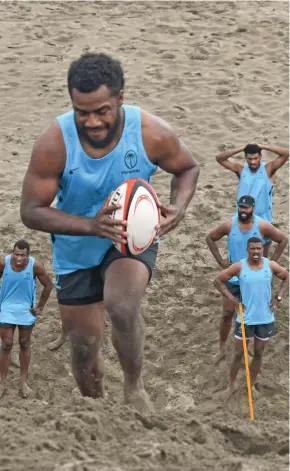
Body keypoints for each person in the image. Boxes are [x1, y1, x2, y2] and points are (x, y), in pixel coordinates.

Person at [20, 52, 200, 412]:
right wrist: (91, 226)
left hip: (130, 236)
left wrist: (178, 207)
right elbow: (30, 211)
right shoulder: (55, 142)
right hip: (76, 244)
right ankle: (98, 411)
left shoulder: (149, 132)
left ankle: (135, 389)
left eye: (101, 110)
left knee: (121, 305)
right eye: (81, 111)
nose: (92, 121)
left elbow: (188, 168)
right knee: (84, 348)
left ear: (120, 97)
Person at [206, 194, 288, 364]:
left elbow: (283, 239)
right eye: (240, 207)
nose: (243, 211)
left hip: (253, 281)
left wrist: (271, 262)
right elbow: (210, 238)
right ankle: (221, 348)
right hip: (234, 278)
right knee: (228, 313)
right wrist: (221, 261)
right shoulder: (230, 225)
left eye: (246, 208)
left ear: (253, 209)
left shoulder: (262, 225)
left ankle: (246, 350)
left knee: (251, 317)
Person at [214, 237, 289, 400]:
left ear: (262, 249)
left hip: (265, 318)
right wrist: (231, 298)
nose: (256, 252)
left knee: (259, 352)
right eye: (252, 249)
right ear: (247, 250)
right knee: (238, 353)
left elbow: (286, 276)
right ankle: (231, 386)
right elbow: (218, 281)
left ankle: (251, 384)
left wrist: (278, 298)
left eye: (258, 248)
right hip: (245, 318)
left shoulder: (270, 265)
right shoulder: (240, 266)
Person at [0, 240, 53, 398]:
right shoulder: (4, 263)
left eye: (22, 255)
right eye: (16, 254)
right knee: (7, 343)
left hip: (25, 309)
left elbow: (48, 285)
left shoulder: (35, 266)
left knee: (24, 343)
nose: (19, 258)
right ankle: (2, 382)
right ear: (12, 252)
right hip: (7, 308)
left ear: (28, 255)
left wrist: (40, 306)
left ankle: (23, 382)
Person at [216, 143, 289, 256]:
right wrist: (241, 148)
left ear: (260, 156)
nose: (253, 162)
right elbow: (220, 158)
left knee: (262, 255)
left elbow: (286, 153)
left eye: (256, 158)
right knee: (242, 252)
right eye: (249, 159)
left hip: (264, 219)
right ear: (245, 158)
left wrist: (263, 146)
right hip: (243, 216)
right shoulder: (240, 170)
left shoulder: (268, 169)